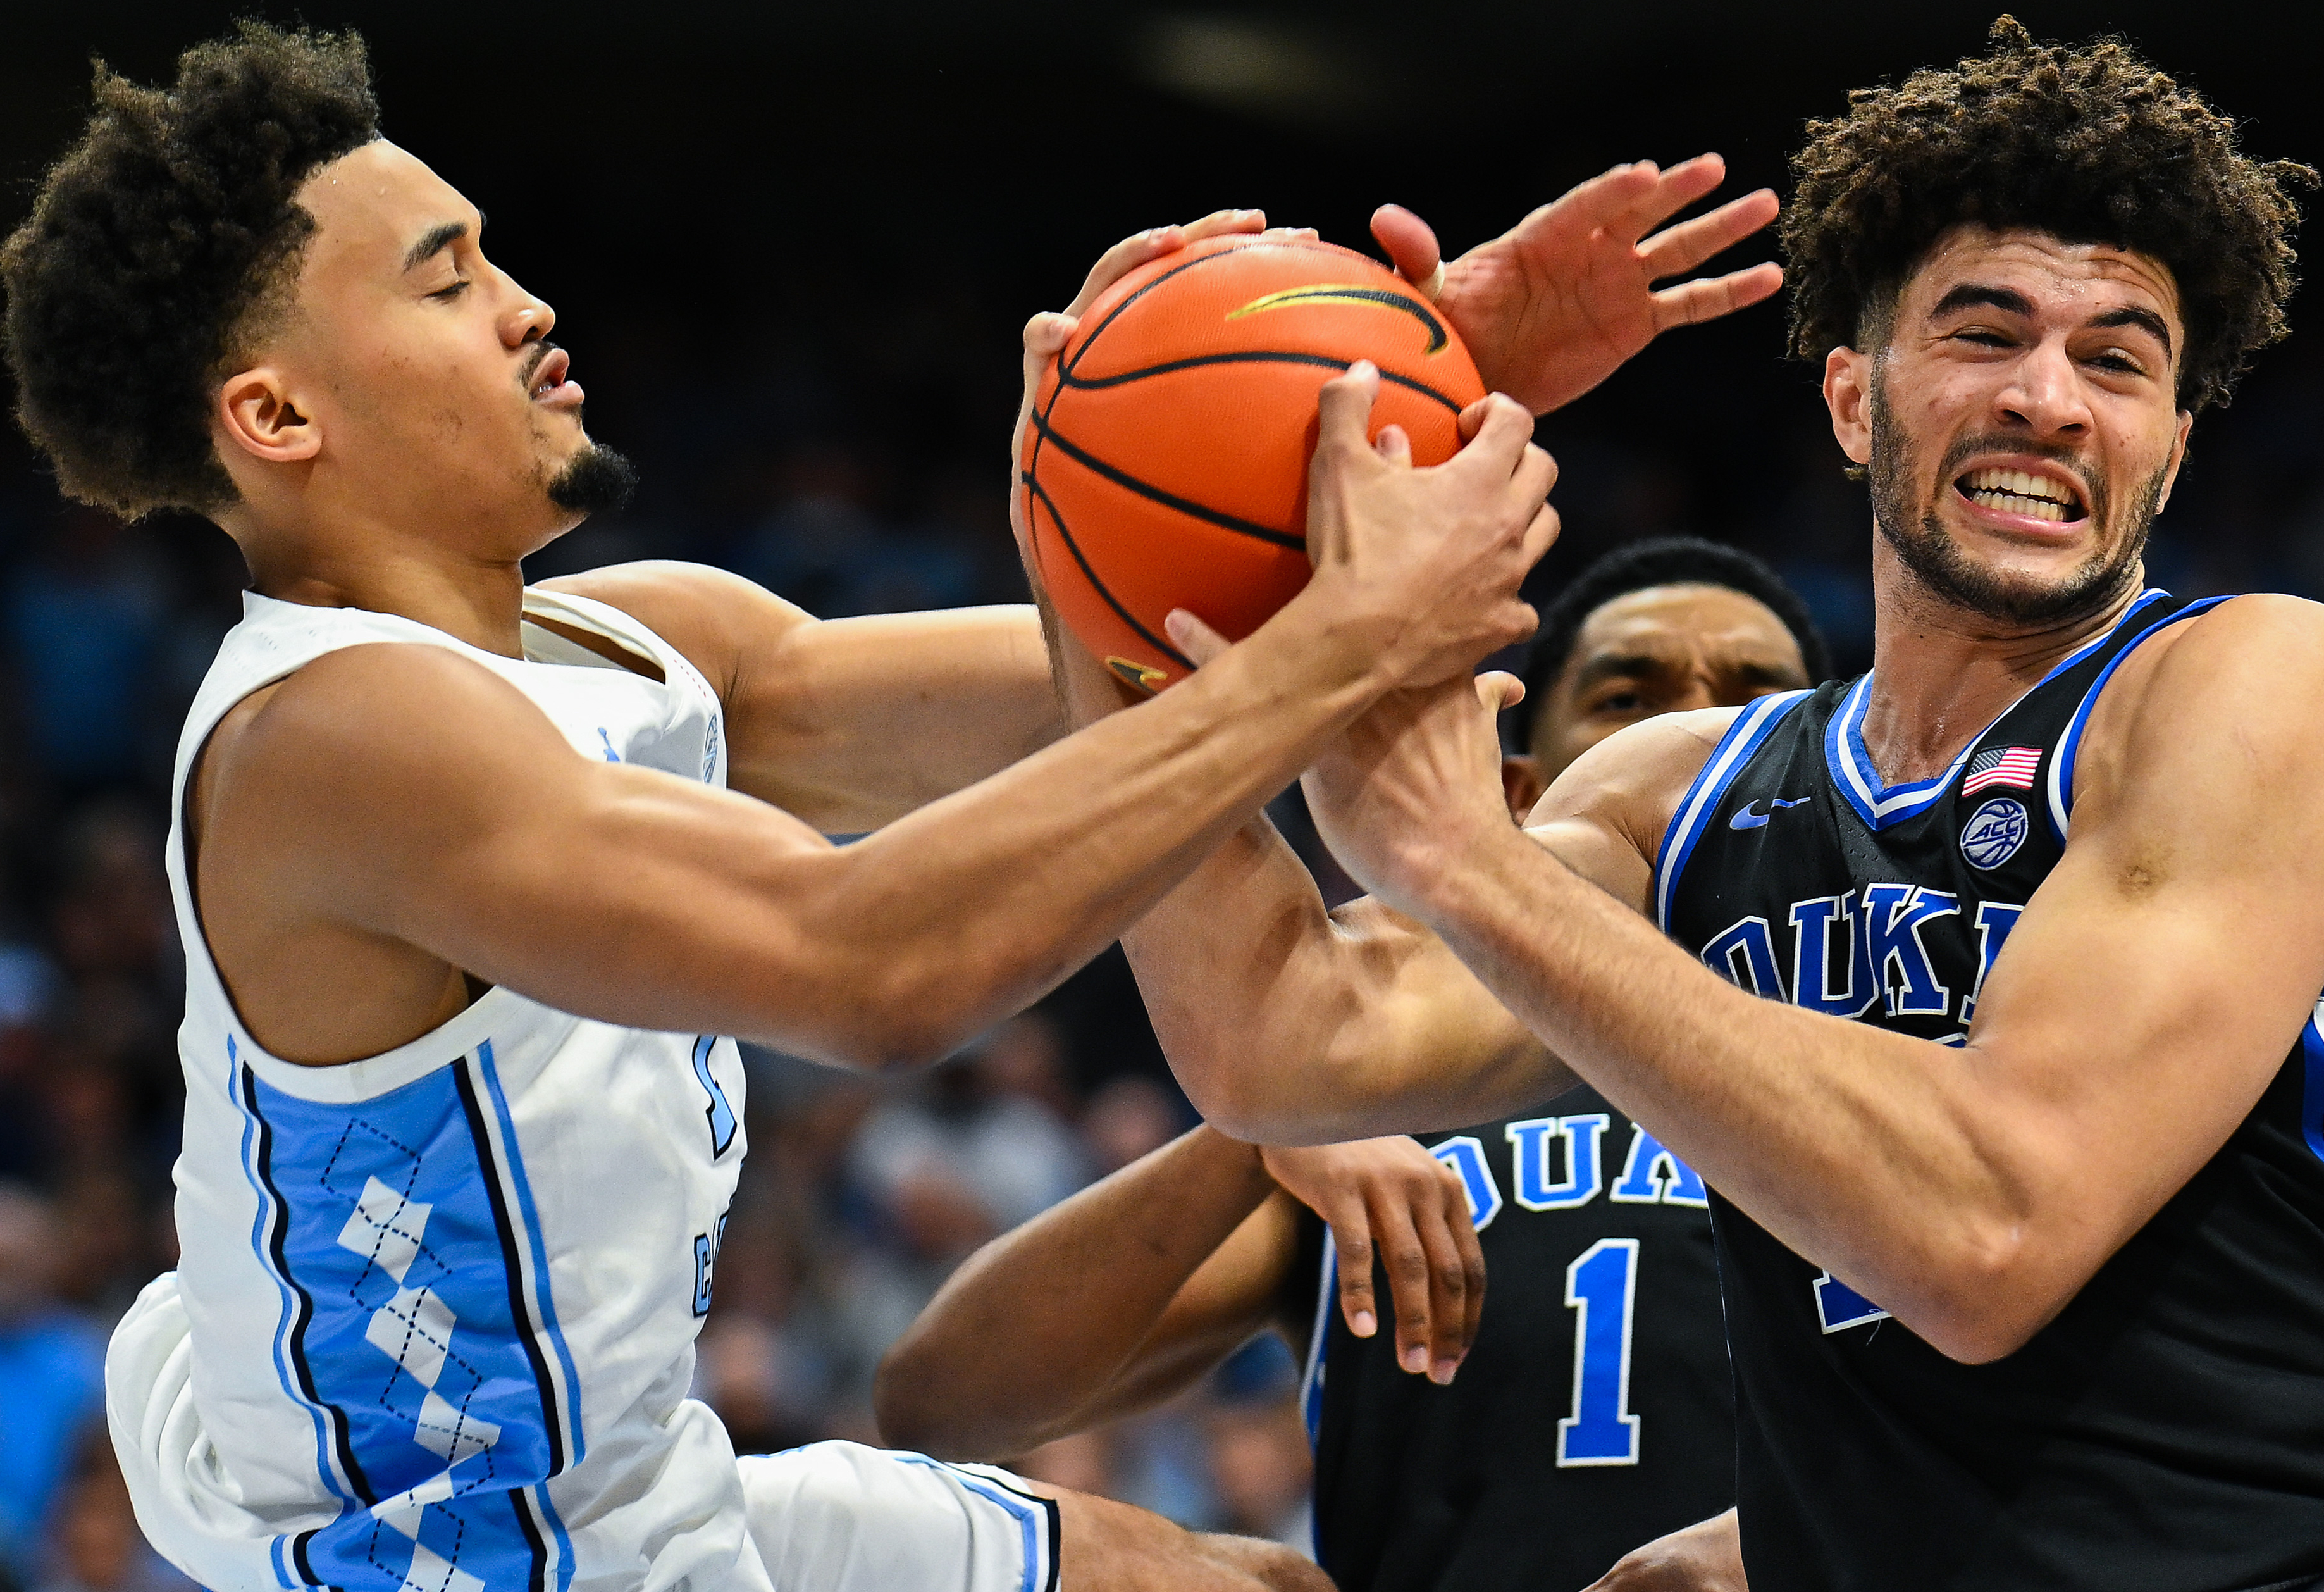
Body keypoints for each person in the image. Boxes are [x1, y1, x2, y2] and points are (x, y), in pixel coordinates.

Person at [0, 23, 1781, 1592]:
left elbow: (1118, 670)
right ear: (273, 410)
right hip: (457, 1556)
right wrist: (1339, 635)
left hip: (610, 1481)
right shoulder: (339, 734)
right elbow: (870, 963)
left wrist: (1365, 410)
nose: (527, 305)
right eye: (447, 277)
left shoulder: (634, 642)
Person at [1100, 20, 2324, 1592]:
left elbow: (1990, 1231)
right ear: (1855, 401)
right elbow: (1280, 1038)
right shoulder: (1680, 793)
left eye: (2118, 360)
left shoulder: (2265, 687)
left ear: (2172, 452)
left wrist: (1470, 866)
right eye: (1984, 335)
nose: (2052, 399)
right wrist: (1197, 500)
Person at [877, 540, 1827, 1592]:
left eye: (1753, 702)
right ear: (1526, 791)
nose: (1689, 732)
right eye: (1625, 695)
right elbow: (943, 1400)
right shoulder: (1372, 1096)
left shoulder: (1900, 1064)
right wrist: (1257, 1138)